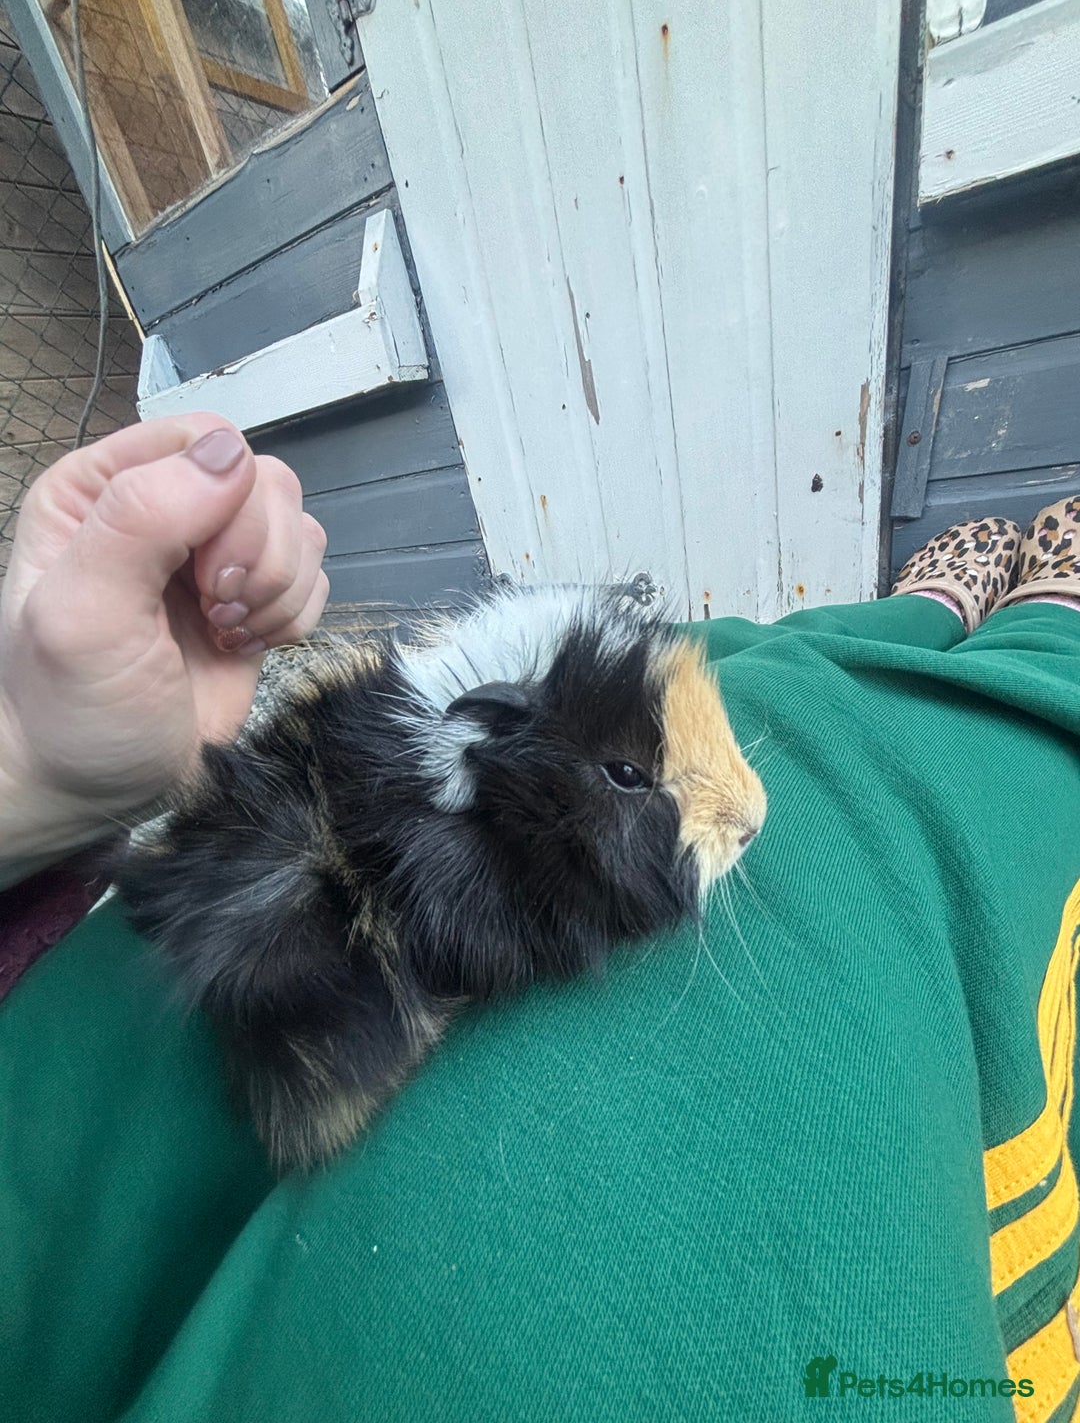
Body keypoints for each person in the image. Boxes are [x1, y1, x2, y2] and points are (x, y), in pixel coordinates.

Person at [1, 417, 1079, 1422]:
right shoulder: (451, 886)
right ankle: (1011, 641)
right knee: (845, 716)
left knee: (770, 666)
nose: (746, 809)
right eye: (629, 778)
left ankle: (931, 622)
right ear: (492, 755)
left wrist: (35, 770)